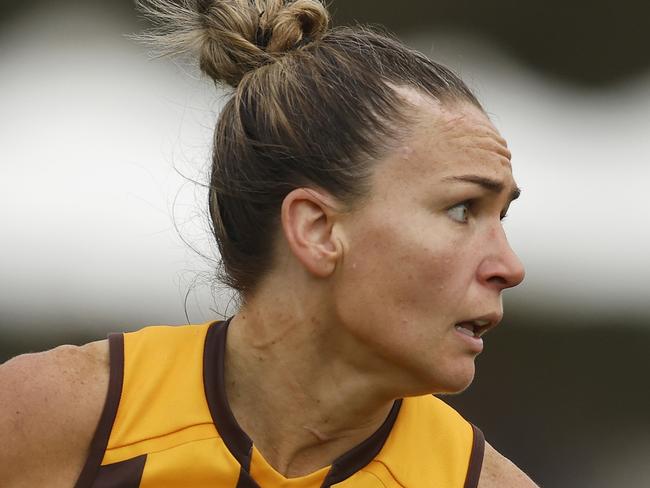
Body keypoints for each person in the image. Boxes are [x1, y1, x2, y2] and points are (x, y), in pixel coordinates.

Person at [0, 0, 539, 486]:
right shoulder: (53, 417)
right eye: (463, 209)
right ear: (317, 230)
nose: (509, 266)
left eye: (502, 215)